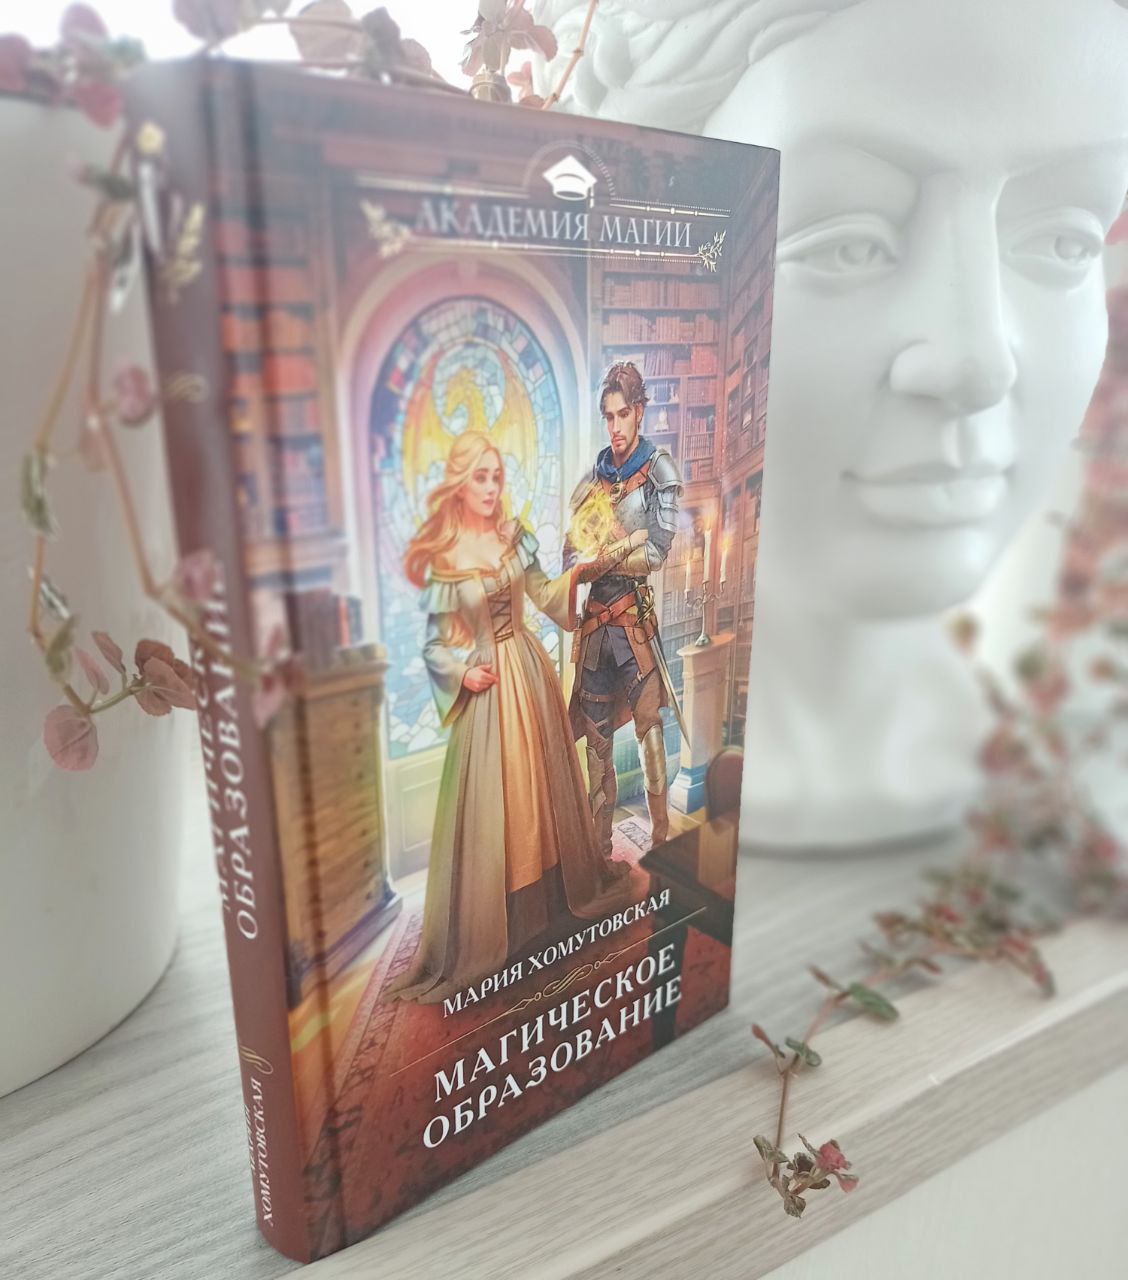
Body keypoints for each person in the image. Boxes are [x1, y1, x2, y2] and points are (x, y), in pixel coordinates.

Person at [385, 430, 641, 1005]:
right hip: (487, 687)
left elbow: (546, 596)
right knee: (499, 804)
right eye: (480, 477)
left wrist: (582, 572)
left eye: (497, 476)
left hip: (527, 670)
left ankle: (549, 906)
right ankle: (501, 924)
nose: (491, 487)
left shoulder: (514, 536)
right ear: (459, 483)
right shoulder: (446, 559)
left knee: (542, 795)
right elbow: (433, 647)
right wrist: (462, 674)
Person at [565, 362, 684, 855]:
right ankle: (600, 853)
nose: (614, 427)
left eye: (622, 415)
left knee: (650, 734)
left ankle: (660, 840)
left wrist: (607, 555)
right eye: (608, 417)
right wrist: (612, 550)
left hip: (634, 627)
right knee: (597, 746)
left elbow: (656, 553)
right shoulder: (591, 482)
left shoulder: (659, 472)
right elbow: (571, 557)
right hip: (596, 630)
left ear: (639, 412)